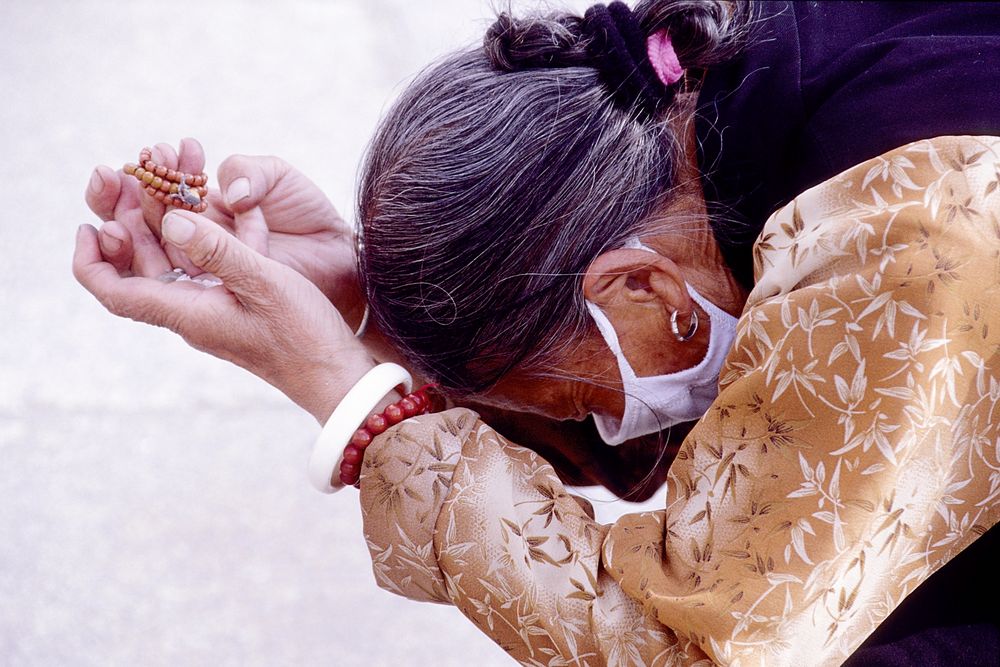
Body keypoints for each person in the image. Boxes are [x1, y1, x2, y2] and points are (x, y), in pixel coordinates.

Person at [75, 1, 1000, 664]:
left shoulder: (905, 247)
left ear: (640, 283)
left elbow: (706, 647)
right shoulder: (713, 89)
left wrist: (347, 395)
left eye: (590, 405)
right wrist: (367, 306)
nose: (616, 435)